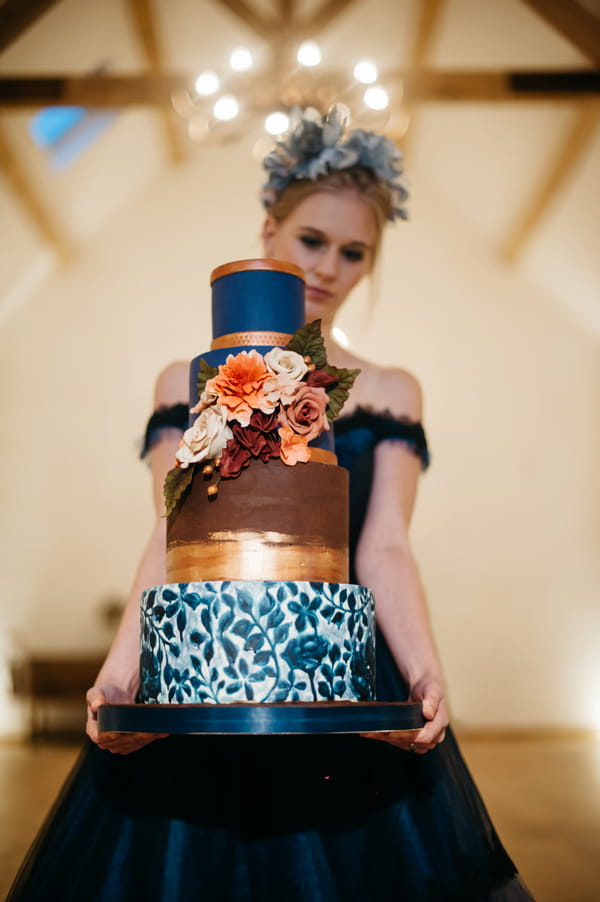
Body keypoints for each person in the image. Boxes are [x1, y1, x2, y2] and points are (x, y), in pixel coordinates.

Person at [8, 107, 534, 901]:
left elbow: (384, 544)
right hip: (204, 670)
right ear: (268, 233)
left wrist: (426, 673)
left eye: (353, 251)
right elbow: (169, 532)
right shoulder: (184, 383)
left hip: (339, 675)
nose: (328, 265)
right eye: (311, 240)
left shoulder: (390, 392)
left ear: (370, 263)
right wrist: (122, 672)